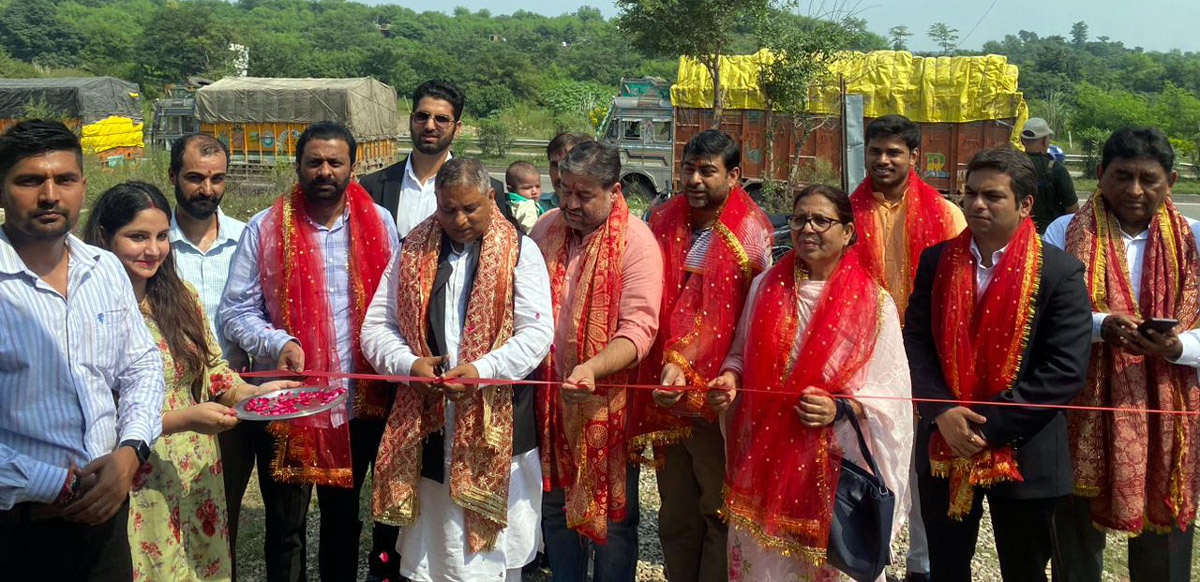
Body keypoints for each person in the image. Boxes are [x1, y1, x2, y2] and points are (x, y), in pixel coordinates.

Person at [81, 181, 296, 582]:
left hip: (197, 469)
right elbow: (93, 411)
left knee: (202, 565)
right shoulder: (88, 312)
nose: (153, 250)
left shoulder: (180, 297)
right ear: (104, 239)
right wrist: (181, 419)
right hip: (136, 473)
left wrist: (251, 394)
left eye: (162, 237)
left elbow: (213, 366)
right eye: (137, 237)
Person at [218, 121, 399, 582]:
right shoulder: (264, 226)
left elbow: (395, 305)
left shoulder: (379, 222)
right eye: (314, 162)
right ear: (298, 166)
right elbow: (235, 312)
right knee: (285, 526)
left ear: (353, 167)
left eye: (334, 162)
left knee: (344, 519)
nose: (324, 171)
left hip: (355, 401)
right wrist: (280, 342)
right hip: (289, 402)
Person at [904, 146, 1092, 582]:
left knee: (1023, 570)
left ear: (1025, 204)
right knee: (946, 567)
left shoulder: (1058, 272)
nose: (976, 204)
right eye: (970, 194)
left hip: (1027, 451)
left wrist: (983, 427)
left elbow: (1064, 370)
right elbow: (914, 342)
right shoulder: (937, 260)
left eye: (992, 196)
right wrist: (943, 411)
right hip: (943, 444)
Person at [362, 157, 554, 581]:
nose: (459, 219)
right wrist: (409, 365)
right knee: (436, 553)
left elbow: (537, 334)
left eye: (470, 208)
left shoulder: (522, 250)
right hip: (430, 424)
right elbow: (376, 326)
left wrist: (484, 370)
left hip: (498, 425)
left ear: (491, 199)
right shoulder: (413, 247)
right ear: (436, 202)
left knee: (499, 559)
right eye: (448, 209)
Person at [713, 184, 912, 581]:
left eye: (822, 220)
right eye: (800, 218)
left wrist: (840, 407)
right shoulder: (765, 287)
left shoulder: (873, 302)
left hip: (838, 463)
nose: (808, 229)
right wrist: (730, 378)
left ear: (848, 232)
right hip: (764, 458)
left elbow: (891, 391)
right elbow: (738, 353)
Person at [0, 120, 165, 579]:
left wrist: (131, 450)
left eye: (65, 180)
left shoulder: (105, 268)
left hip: (106, 517)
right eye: (30, 180)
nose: (50, 195)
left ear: (83, 187)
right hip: (21, 524)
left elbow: (142, 366)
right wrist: (61, 485)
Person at [1044, 127, 1199, 582]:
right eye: (1121, 176)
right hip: (1083, 399)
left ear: (1170, 180)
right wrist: (1099, 325)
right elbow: (1044, 313)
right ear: (1099, 175)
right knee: (1073, 527)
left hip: (1167, 404)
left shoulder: (1193, 239)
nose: (1134, 191)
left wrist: (1178, 346)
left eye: (1148, 179)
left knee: (1164, 531)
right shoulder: (1064, 231)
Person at [629, 129, 772, 582]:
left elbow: (747, 320)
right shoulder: (664, 219)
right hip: (664, 390)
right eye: (689, 168)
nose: (694, 179)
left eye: (707, 171)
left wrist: (696, 366)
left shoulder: (751, 233)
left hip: (717, 396)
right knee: (675, 511)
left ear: (734, 176)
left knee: (717, 507)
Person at [530, 140, 664, 582]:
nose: (569, 203)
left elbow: (639, 331)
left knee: (613, 516)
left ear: (614, 190)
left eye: (583, 195)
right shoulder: (545, 229)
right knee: (554, 502)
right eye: (565, 189)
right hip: (549, 399)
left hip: (607, 402)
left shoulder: (636, 241)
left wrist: (591, 368)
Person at [850, 113, 965, 582]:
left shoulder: (945, 214)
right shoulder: (847, 211)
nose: (882, 159)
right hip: (864, 357)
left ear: (914, 157)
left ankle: (921, 563)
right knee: (866, 458)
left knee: (924, 464)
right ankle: (863, 557)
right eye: (875, 150)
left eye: (894, 152)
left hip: (924, 355)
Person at [361, 79, 511, 239]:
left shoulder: (485, 190)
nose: (430, 126)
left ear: (457, 128)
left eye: (441, 119)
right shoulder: (373, 186)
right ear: (412, 120)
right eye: (422, 116)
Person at [1021, 117, 1078, 233]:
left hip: (1017, 235)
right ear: (1044, 140)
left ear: (1022, 140)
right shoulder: (1056, 168)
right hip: (1049, 236)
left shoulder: (1011, 165)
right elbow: (1072, 208)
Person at [542, 132, 592, 213]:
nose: (559, 176)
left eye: (566, 166)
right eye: (554, 165)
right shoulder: (533, 208)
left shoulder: (604, 215)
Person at [505, 160, 544, 234]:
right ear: (511, 189)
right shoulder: (526, 205)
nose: (534, 191)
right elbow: (531, 229)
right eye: (527, 188)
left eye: (538, 186)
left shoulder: (507, 202)